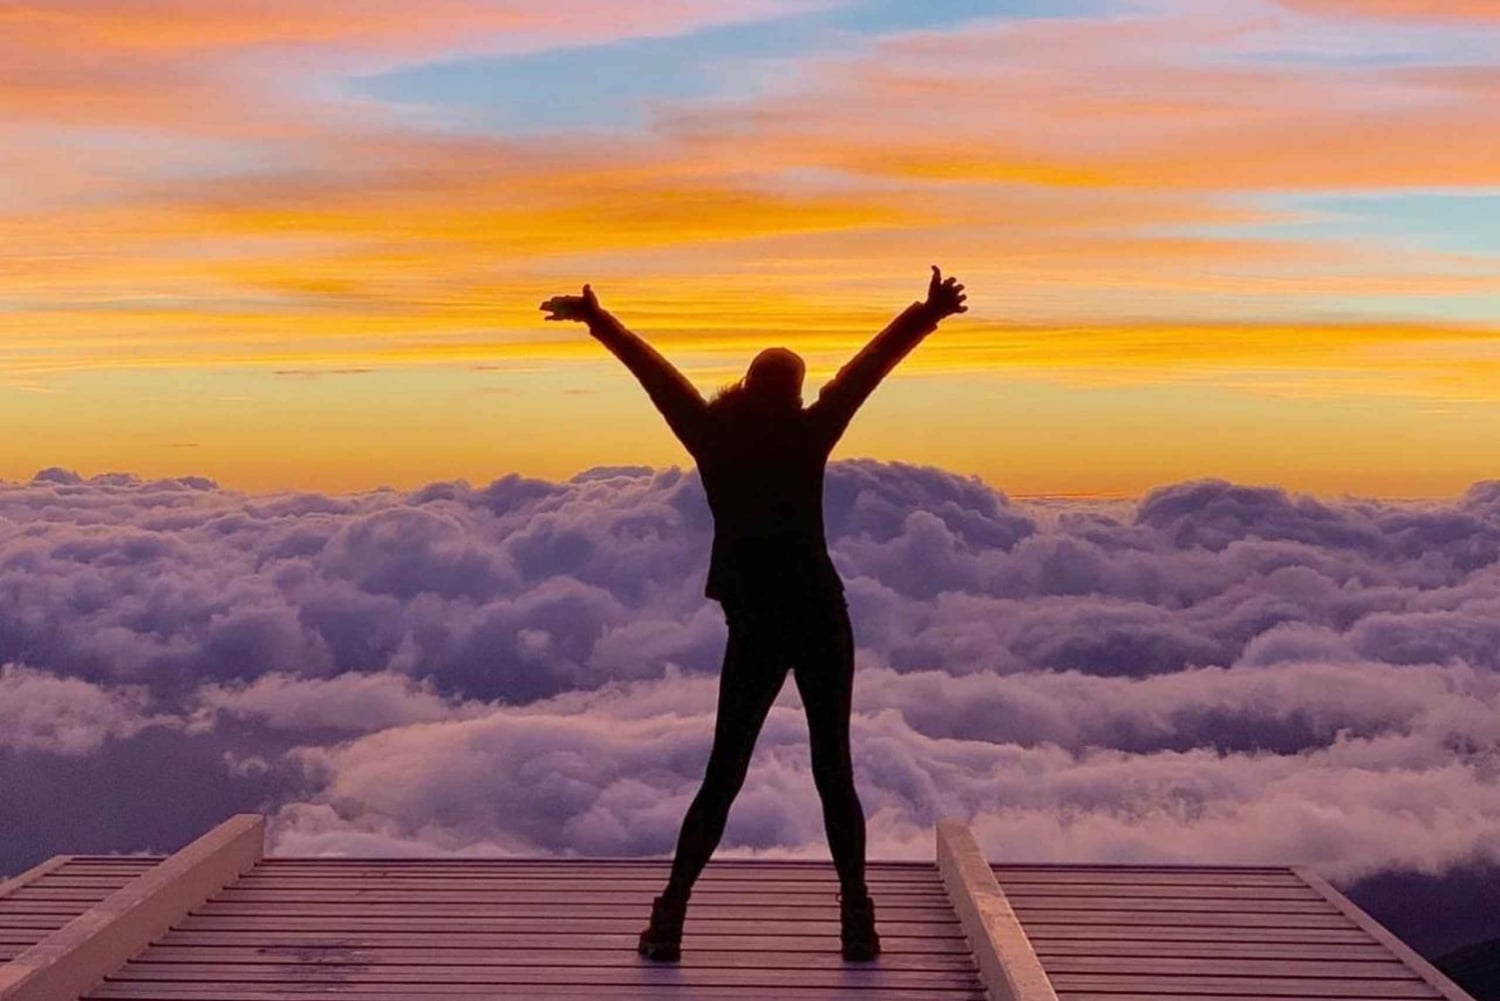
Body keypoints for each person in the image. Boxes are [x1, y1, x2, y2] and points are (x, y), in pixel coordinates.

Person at [539, 267, 968, 962]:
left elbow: (661, 380)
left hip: (757, 626)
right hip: (821, 616)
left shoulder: (713, 435)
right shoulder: (810, 431)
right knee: (835, 770)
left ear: (746, 382)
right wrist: (924, 315)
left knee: (723, 774)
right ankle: (857, 920)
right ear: (796, 391)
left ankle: (670, 918)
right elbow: (864, 374)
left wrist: (602, 323)